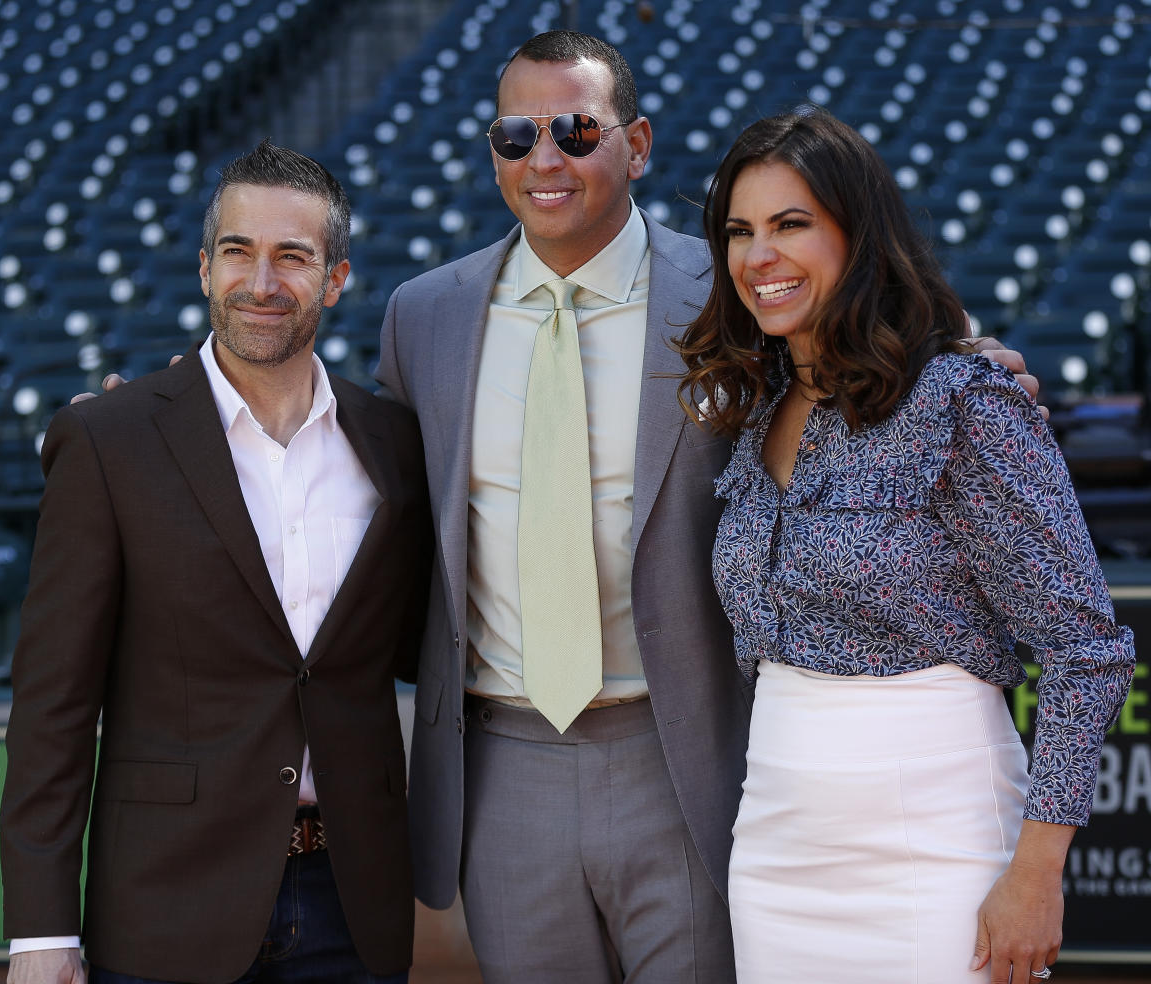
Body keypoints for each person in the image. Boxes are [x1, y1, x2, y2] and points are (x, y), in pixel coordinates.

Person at [375, 32, 1042, 984]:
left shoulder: (733, 288)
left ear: (637, 144)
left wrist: (968, 358)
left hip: (686, 750)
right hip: (504, 760)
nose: (545, 158)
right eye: (515, 134)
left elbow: (863, 346)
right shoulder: (424, 315)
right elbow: (377, 486)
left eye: (574, 127)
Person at [676, 107, 1136, 983]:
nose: (757, 256)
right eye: (739, 232)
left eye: (791, 225)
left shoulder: (962, 400)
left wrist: (1037, 872)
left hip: (941, 842)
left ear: (859, 233)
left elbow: (1087, 653)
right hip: (775, 849)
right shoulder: (759, 410)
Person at [0, 141, 431, 984]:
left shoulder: (392, 445)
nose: (261, 283)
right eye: (238, 251)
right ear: (204, 268)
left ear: (334, 279)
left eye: (293, 257)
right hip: (166, 904)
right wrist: (40, 933)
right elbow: (52, 704)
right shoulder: (109, 443)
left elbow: (417, 647)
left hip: (353, 903)